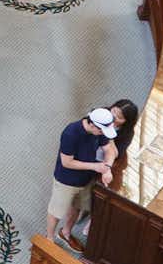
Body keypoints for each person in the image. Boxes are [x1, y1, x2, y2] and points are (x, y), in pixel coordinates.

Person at [65, 97, 141, 245]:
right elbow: (82, 132)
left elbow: (117, 153)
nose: (113, 117)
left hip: (108, 163)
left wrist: (108, 135)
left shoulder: (127, 133)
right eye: (113, 111)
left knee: (109, 191)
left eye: (119, 117)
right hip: (88, 159)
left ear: (126, 122)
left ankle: (93, 219)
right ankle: (66, 231)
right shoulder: (99, 114)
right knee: (78, 198)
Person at [48, 106, 117, 245]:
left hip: (85, 179)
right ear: (91, 124)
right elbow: (66, 162)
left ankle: (66, 232)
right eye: (101, 131)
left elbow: (109, 149)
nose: (102, 134)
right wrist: (95, 167)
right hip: (66, 180)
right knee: (56, 211)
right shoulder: (71, 133)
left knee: (77, 207)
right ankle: (48, 239)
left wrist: (107, 168)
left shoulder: (100, 129)